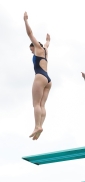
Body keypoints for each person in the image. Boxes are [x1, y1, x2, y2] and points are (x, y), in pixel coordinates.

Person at [24, 12, 52, 140]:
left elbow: (30, 34)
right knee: (42, 105)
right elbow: (47, 43)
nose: (32, 52)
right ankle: (40, 125)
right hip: (48, 79)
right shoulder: (45, 49)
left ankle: (37, 126)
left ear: (34, 46)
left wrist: (25, 21)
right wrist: (48, 40)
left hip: (40, 76)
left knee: (36, 104)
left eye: (31, 50)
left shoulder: (38, 47)